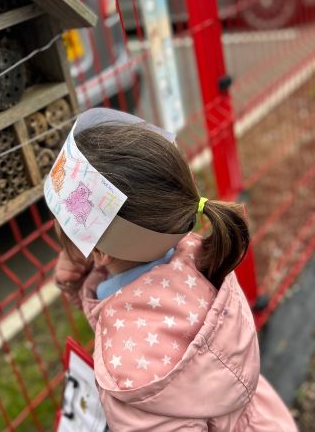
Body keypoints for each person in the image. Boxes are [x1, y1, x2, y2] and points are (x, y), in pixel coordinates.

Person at [47, 108, 297, 431]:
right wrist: (82, 278)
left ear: (98, 252)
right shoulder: (196, 251)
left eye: (61, 220)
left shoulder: (129, 380)